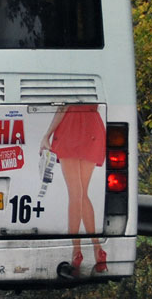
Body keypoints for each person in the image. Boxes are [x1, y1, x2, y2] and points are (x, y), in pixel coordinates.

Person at [40, 104, 106, 275]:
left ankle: (76, 251)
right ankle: (98, 248)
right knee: (83, 192)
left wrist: (46, 135)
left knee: (75, 194)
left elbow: (63, 107)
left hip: (71, 126)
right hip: (92, 125)